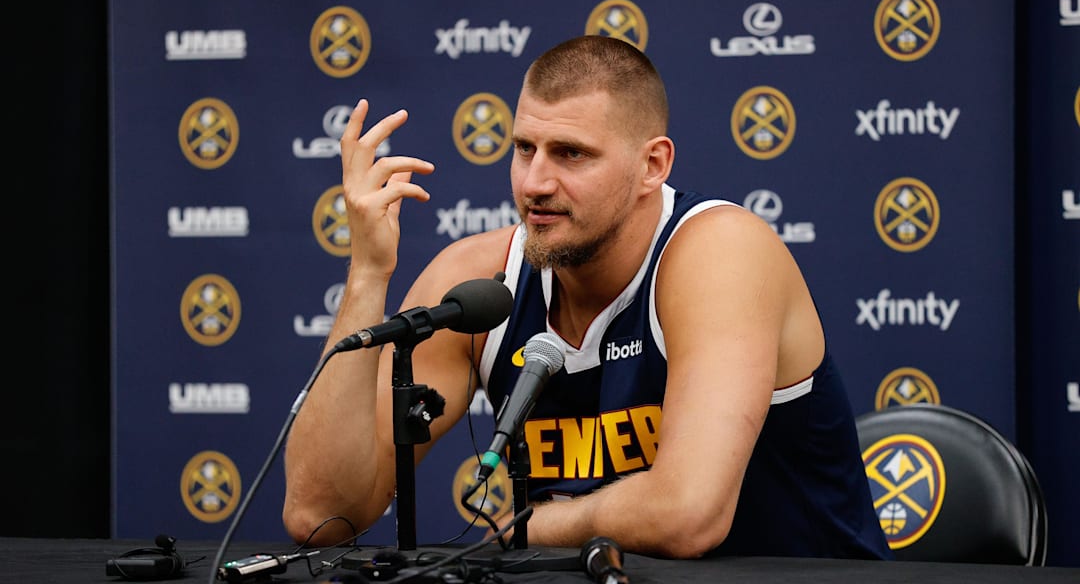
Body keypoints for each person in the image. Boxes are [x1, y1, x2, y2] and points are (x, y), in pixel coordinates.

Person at [282, 35, 892, 560]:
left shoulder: (718, 252)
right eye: (525, 148)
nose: (535, 184)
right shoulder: (480, 277)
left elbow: (689, 513)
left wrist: (533, 526)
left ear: (653, 165)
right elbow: (319, 513)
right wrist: (368, 271)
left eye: (571, 154)